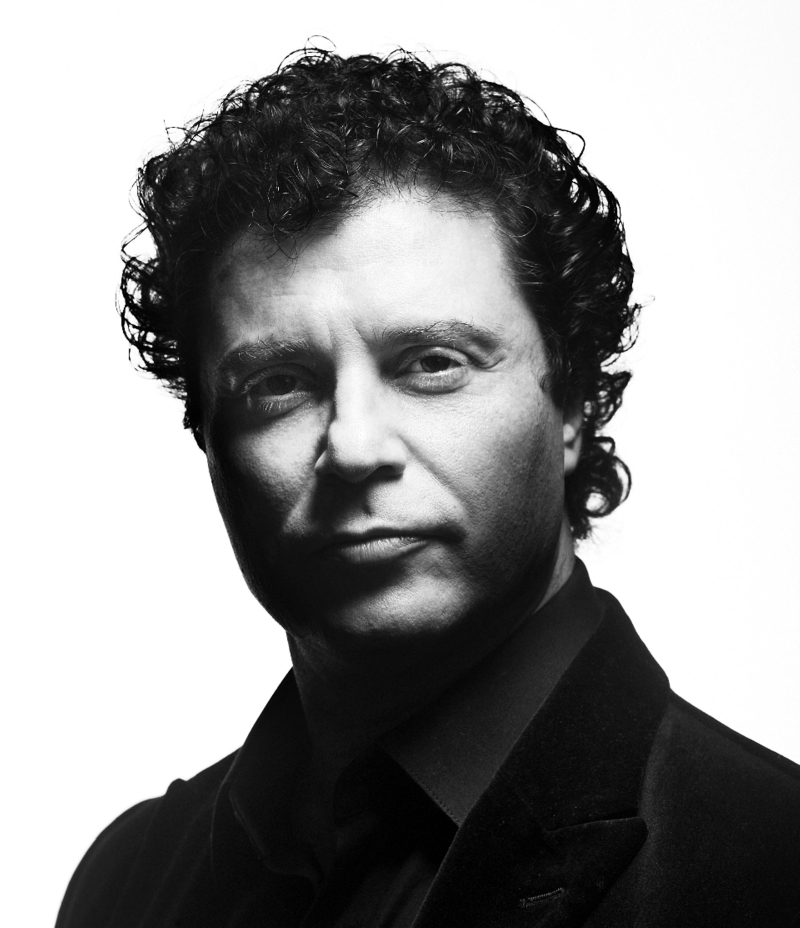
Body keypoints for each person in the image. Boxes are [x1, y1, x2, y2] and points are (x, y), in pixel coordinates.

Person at [56, 49, 800, 928]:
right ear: (208, 435)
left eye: (432, 363)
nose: (354, 446)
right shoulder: (127, 883)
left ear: (571, 402)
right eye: (279, 384)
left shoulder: (774, 869)